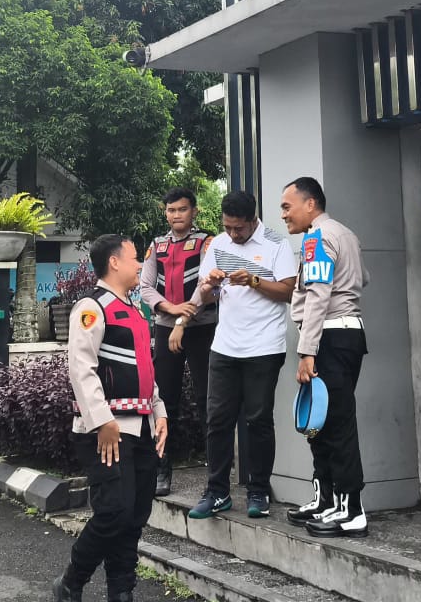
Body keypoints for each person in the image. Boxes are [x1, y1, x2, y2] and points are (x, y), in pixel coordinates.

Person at [53, 233, 170, 602]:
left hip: (141, 428)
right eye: (136, 258)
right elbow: (80, 367)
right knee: (113, 512)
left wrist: (160, 412)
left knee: (134, 515)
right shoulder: (92, 307)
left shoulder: (135, 310)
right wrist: (102, 420)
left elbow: (146, 370)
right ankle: (70, 584)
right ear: (115, 262)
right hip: (108, 432)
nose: (140, 265)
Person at [186, 190, 297, 520]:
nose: (233, 234)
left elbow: (288, 291)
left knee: (258, 420)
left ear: (253, 220)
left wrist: (253, 280)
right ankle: (217, 492)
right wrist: (208, 285)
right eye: (228, 227)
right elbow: (206, 295)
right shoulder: (218, 245)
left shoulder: (276, 244)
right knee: (217, 419)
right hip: (224, 346)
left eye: (239, 228)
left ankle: (258, 491)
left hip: (264, 347)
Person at [280, 177, 371, 537]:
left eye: (287, 206)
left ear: (310, 204)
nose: (283, 214)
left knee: (335, 423)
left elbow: (318, 295)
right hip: (346, 334)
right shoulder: (346, 234)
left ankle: (352, 511)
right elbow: (363, 277)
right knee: (323, 423)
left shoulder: (317, 238)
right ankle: (328, 501)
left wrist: (307, 350)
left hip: (330, 337)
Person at [139, 187, 215, 495]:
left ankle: (215, 475)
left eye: (182, 209)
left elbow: (208, 285)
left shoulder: (207, 242)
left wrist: (185, 317)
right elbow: (145, 287)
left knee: (208, 399)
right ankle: (161, 470)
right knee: (164, 400)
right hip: (164, 327)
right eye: (171, 210)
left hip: (203, 327)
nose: (176, 215)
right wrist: (172, 310)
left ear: (194, 211)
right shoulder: (156, 245)